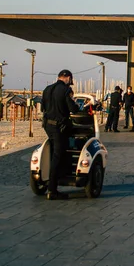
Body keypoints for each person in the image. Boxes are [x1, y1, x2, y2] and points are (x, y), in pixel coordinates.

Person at [41, 69, 79, 200]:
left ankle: (49, 180)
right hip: (59, 127)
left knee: (53, 152)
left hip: (47, 125)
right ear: (68, 78)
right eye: (70, 80)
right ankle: (52, 189)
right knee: (58, 155)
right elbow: (73, 109)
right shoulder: (66, 90)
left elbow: (42, 108)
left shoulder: (47, 89)